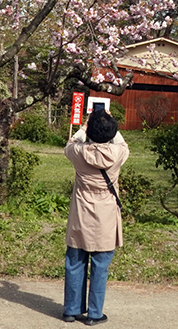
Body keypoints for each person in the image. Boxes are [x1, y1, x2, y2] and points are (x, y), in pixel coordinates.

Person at [62, 106, 128, 325]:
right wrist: (108, 124)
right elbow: (121, 142)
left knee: (75, 261)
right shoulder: (118, 154)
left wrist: (84, 128)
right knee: (100, 266)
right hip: (106, 217)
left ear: (90, 131)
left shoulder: (79, 153)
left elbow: (70, 143)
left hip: (81, 213)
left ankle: (71, 310)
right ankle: (94, 314)